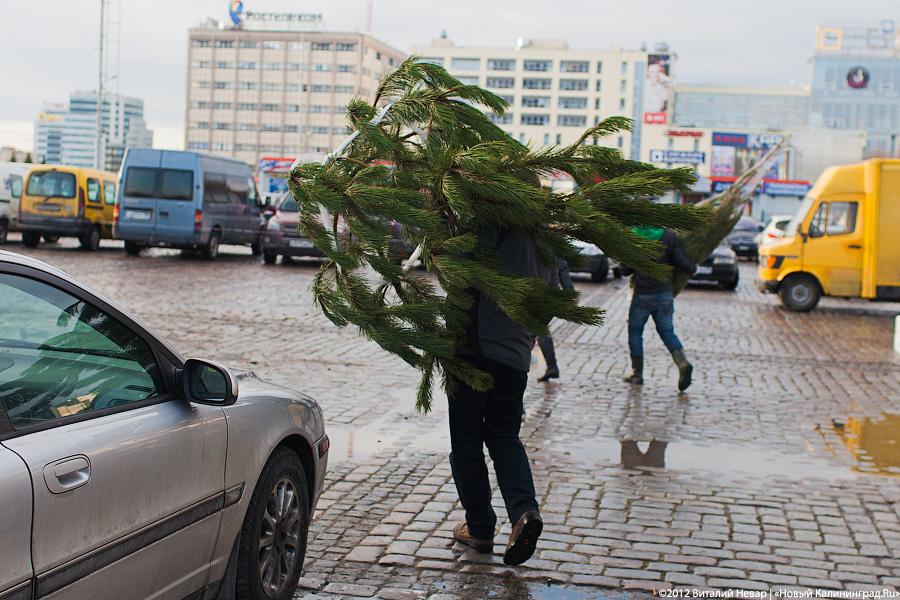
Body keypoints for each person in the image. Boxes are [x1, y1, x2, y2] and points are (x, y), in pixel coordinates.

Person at [448, 225, 547, 566]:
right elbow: (549, 300)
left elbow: (455, 270)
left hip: (475, 350)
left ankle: (479, 529)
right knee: (505, 437)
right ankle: (524, 512)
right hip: (516, 354)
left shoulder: (487, 229)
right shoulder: (545, 237)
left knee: (466, 443)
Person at [619, 226, 696, 391]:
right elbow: (681, 260)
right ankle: (682, 363)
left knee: (635, 333)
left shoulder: (632, 238)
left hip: (642, 296)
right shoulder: (668, 236)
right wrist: (692, 267)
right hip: (664, 294)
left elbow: (624, 270)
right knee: (667, 331)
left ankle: (637, 373)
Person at [537, 258, 574, 382]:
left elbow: (562, 267)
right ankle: (551, 367)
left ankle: (551, 367)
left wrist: (570, 293)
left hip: (539, 294)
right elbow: (562, 268)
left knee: (536, 329)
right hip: (545, 293)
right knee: (539, 330)